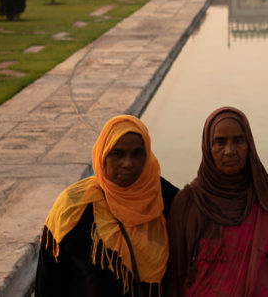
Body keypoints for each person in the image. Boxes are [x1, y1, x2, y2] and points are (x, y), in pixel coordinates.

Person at [166, 107, 268, 297]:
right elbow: (175, 276)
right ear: (208, 147)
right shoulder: (189, 204)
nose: (230, 151)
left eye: (238, 140)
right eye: (220, 142)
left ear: (249, 144)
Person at [36, 115, 179, 297]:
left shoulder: (167, 200)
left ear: (147, 155)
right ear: (102, 155)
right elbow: (49, 281)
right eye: (117, 154)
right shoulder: (74, 206)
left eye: (137, 154)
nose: (128, 164)